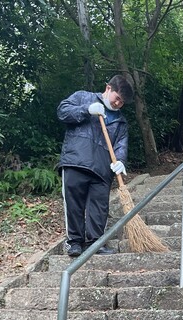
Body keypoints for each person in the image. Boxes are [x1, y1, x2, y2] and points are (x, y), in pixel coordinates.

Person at [57, 75, 134, 257]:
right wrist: (86, 109)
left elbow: (121, 145)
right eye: (117, 99)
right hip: (76, 160)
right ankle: (74, 242)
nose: (118, 104)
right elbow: (62, 111)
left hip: (102, 169)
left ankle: (95, 243)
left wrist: (120, 161)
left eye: (122, 102)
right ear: (108, 88)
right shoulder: (82, 97)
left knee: (99, 206)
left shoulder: (121, 122)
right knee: (74, 202)